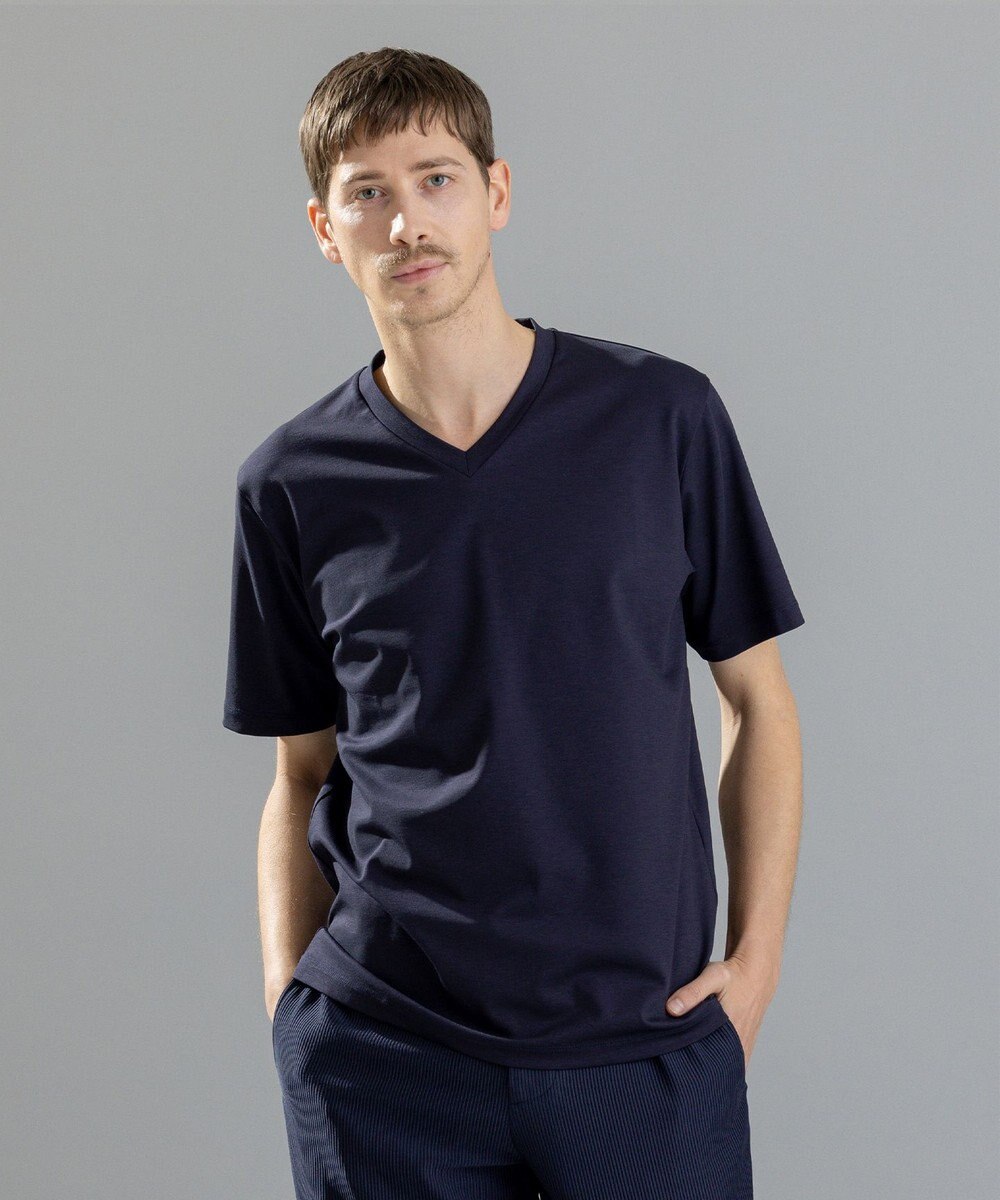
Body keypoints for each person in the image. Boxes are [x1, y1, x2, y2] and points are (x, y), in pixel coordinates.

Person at [223, 45, 805, 1200]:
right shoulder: (290, 484)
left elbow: (758, 703)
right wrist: (292, 1008)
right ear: (325, 230)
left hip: (641, 1041)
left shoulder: (658, 417)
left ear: (495, 192)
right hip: (384, 1054)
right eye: (367, 193)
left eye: (435, 178)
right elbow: (301, 776)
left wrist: (754, 966)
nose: (406, 222)